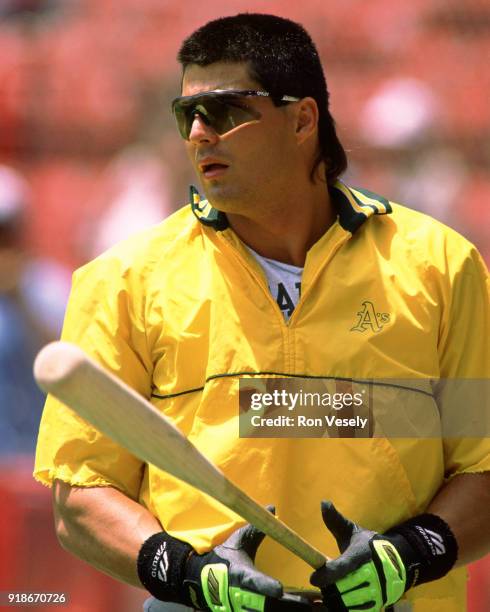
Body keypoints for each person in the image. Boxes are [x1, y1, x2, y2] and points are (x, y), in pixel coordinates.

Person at [34, 13, 489, 612]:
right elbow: (81, 496)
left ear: (302, 119)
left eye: (222, 111)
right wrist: (189, 576)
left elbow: (483, 465)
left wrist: (410, 554)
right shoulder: (122, 281)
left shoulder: (443, 268)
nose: (198, 133)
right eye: (185, 115)